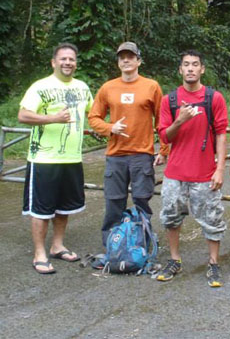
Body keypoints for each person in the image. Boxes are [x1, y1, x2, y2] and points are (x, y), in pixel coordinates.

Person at [18, 42, 93, 274]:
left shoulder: (82, 87)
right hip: (44, 159)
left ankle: (57, 245)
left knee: (64, 207)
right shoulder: (40, 87)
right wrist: (53, 119)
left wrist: (98, 128)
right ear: (53, 62)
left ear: (76, 63)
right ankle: (39, 253)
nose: (68, 63)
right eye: (63, 59)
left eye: (71, 59)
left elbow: (93, 112)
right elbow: (23, 115)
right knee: (41, 209)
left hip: (71, 159)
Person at [155, 50, 228, 286]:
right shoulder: (170, 100)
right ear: (180, 70)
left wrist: (220, 169)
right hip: (175, 174)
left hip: (204, 172)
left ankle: (213, 263)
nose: (190, 69)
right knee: (171, 218)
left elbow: (220, 135)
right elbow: (165, 137)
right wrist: (180, 119)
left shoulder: (213, 98)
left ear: (202, 69)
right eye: (186, 64)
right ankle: (175, 259)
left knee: (212, 219)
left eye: (195, 64)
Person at [88, 42, 167, 253]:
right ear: (118, 62)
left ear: (138, 61)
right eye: (122, 57)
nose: (126, 60)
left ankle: (141, 244)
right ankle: (112, 247)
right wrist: (110, 127)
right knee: (114, 202)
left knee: (142, 200)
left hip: (142, 155)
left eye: (130, 57)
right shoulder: (108, 88)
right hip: (116, 155)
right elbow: (94, 118)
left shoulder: (151, 86)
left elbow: (162, 120)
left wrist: (164, 149)